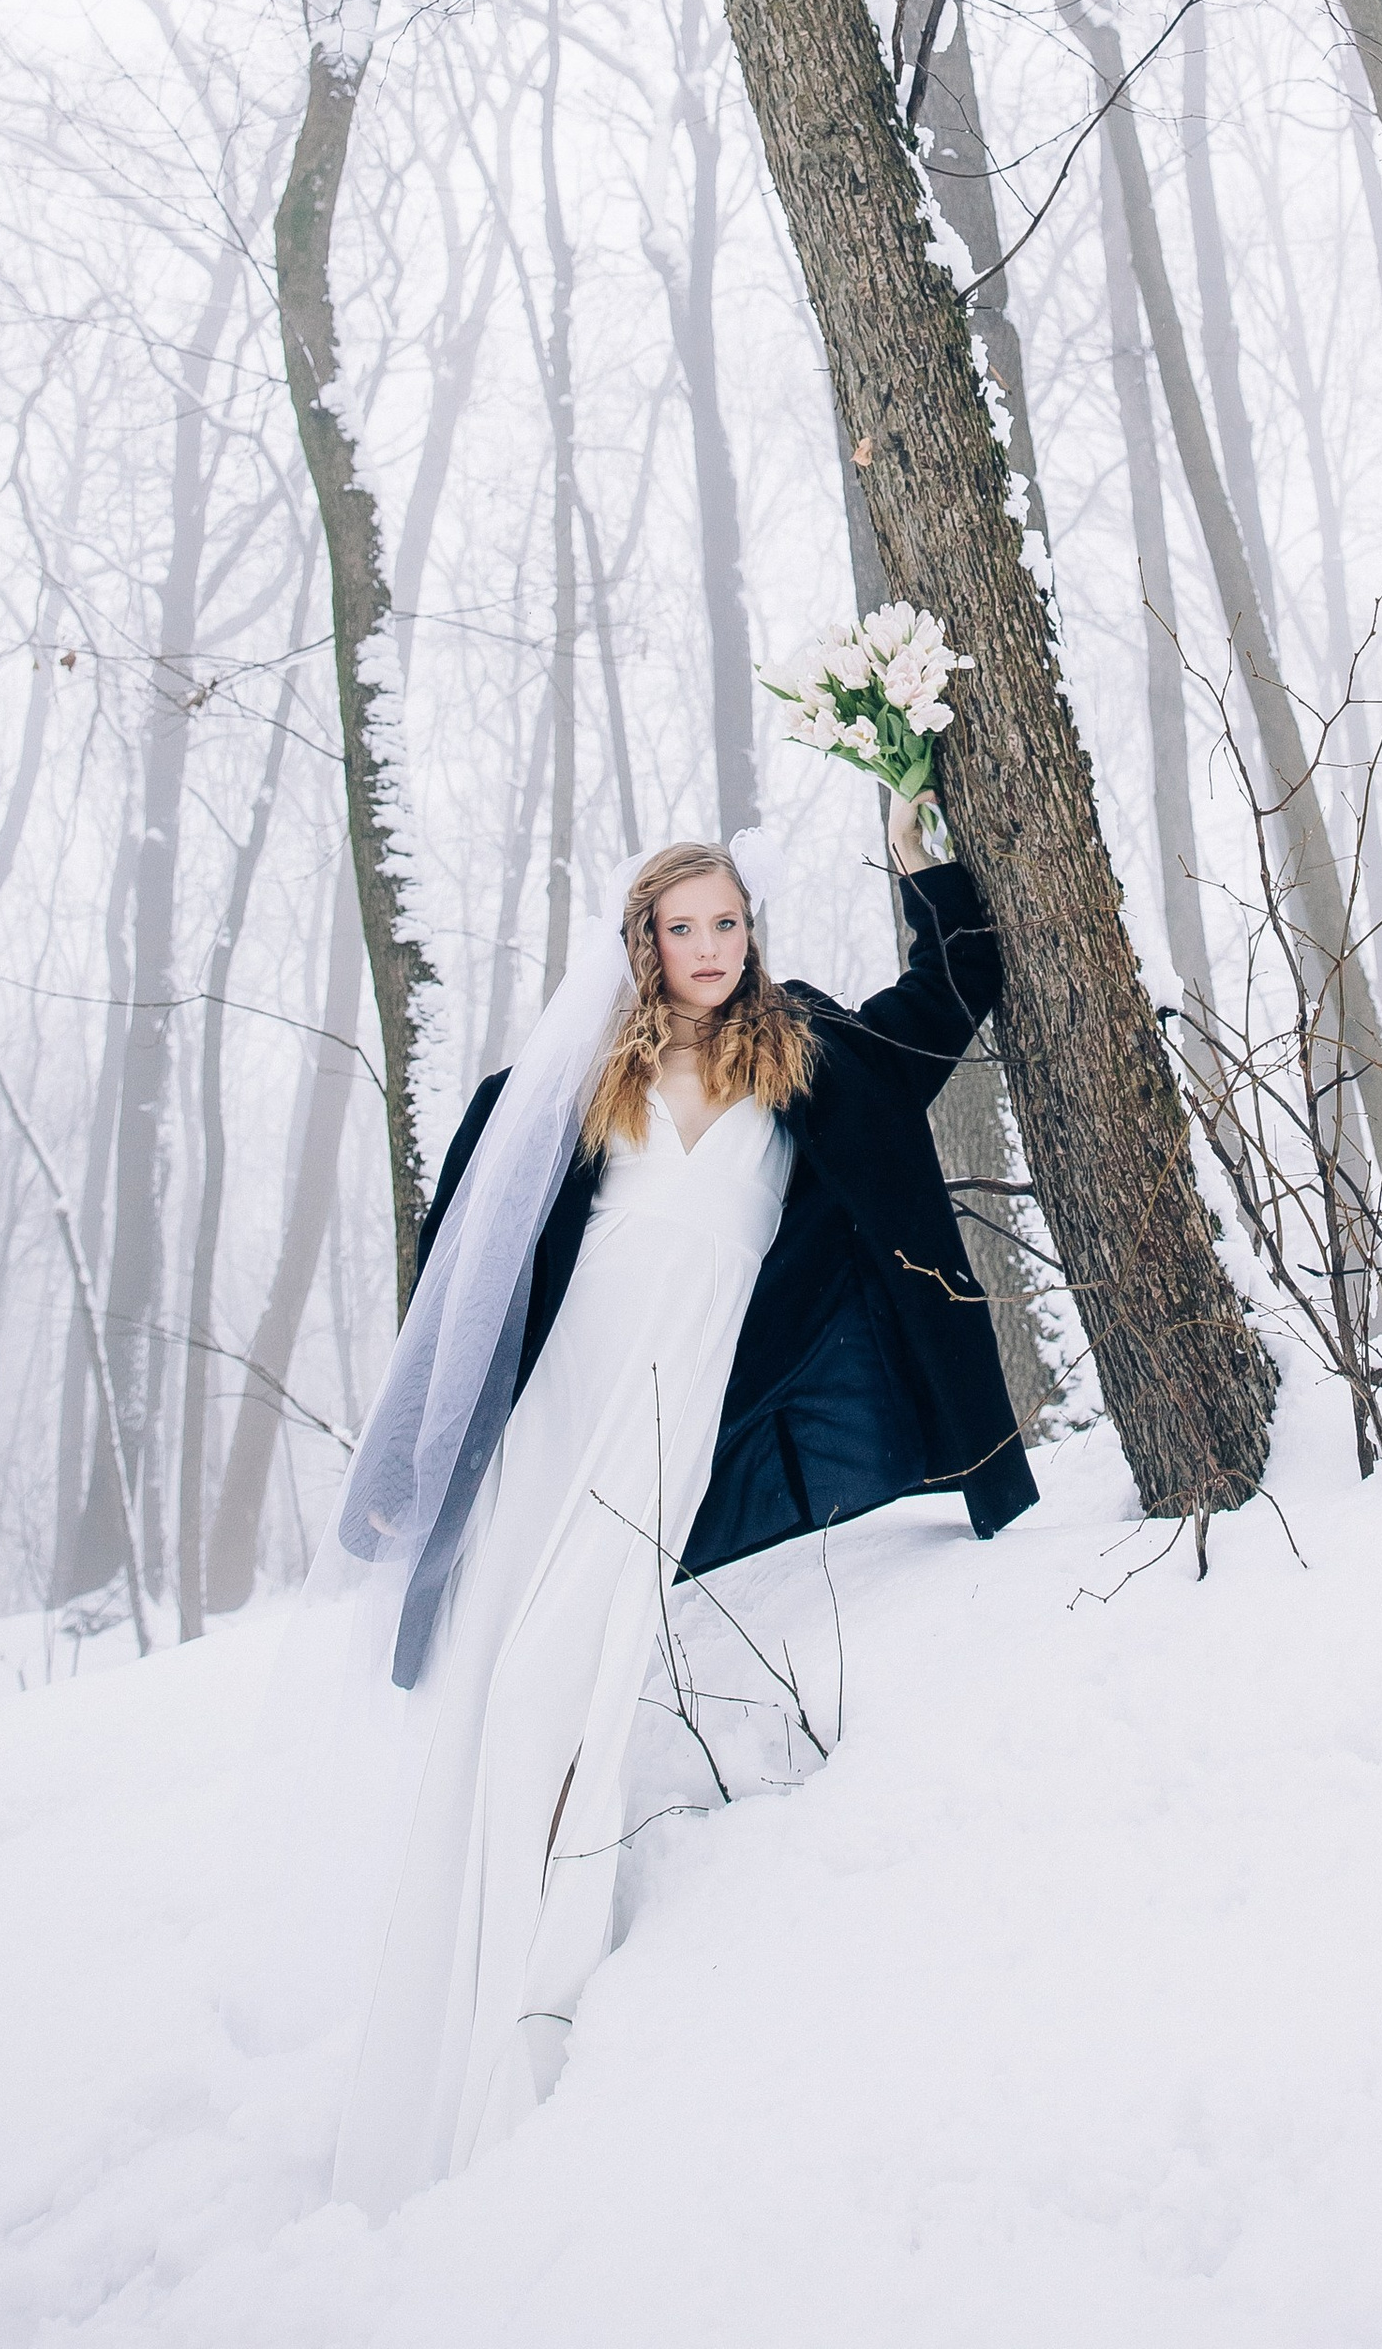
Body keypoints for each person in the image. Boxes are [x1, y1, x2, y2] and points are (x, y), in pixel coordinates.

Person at [327, 790, 1036, 2211]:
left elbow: (957, 993)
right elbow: (467, 1257)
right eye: (684, 924)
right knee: (507, 1690)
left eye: (729, 922)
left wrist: (929, 873)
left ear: (751, 935)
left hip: (668, 1428)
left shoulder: (810, 1059)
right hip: (562, 1417)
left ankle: (550, 1995)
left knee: (587, 1685)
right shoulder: (586, 1077)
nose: (711, 944)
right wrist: (425, 1455)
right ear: (643, 941)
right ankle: (469, 1987)